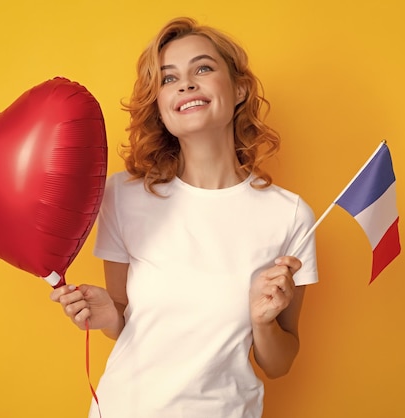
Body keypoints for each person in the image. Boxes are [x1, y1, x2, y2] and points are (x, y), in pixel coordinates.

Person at [51, 16, 318, 418]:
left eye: (204, 69)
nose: (186, 84)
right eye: (168, 78)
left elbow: (279, 365)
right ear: (159, 104)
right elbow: (124, 317)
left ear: (240, 88)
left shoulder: (290, 215)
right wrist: (109, 315)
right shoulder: (123, 197)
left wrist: (262, 323)